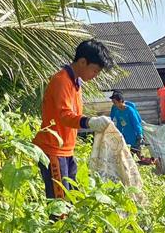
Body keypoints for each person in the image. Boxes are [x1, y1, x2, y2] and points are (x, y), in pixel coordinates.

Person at [34, 39, 114, 199]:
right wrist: (89, 122)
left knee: (70, 199)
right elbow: (64, 115)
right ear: (83, 62)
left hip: (66, 150)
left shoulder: (76, 84)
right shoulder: (61, 81)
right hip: (53, 150)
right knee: (60, 203)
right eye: (95, 71)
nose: (95, 76)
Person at [109, 91, 144, 155]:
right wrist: (118, 134)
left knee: (138, 155)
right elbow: (119, 124)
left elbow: (136, 123)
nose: (114, 104)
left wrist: (139, 135)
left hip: (134, 136)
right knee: (128, 156)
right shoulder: (117, 112)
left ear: (120, 101)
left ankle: (153, 161)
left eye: (115, 102)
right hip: (126, 136)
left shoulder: (130, 110)